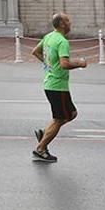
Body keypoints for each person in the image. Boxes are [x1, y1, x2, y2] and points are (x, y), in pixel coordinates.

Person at [31, 12, 87, 163]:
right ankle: (40, 149)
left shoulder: (49, 37)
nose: (70, 23)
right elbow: (65, 64)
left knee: (72, 114)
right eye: (68, 20)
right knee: (60, 118)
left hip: (52, 84)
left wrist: (48, 65)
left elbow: (35, 51)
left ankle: (45, 133)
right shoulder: (62, 41)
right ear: (62, 24)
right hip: (57, 86)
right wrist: (80, 63)